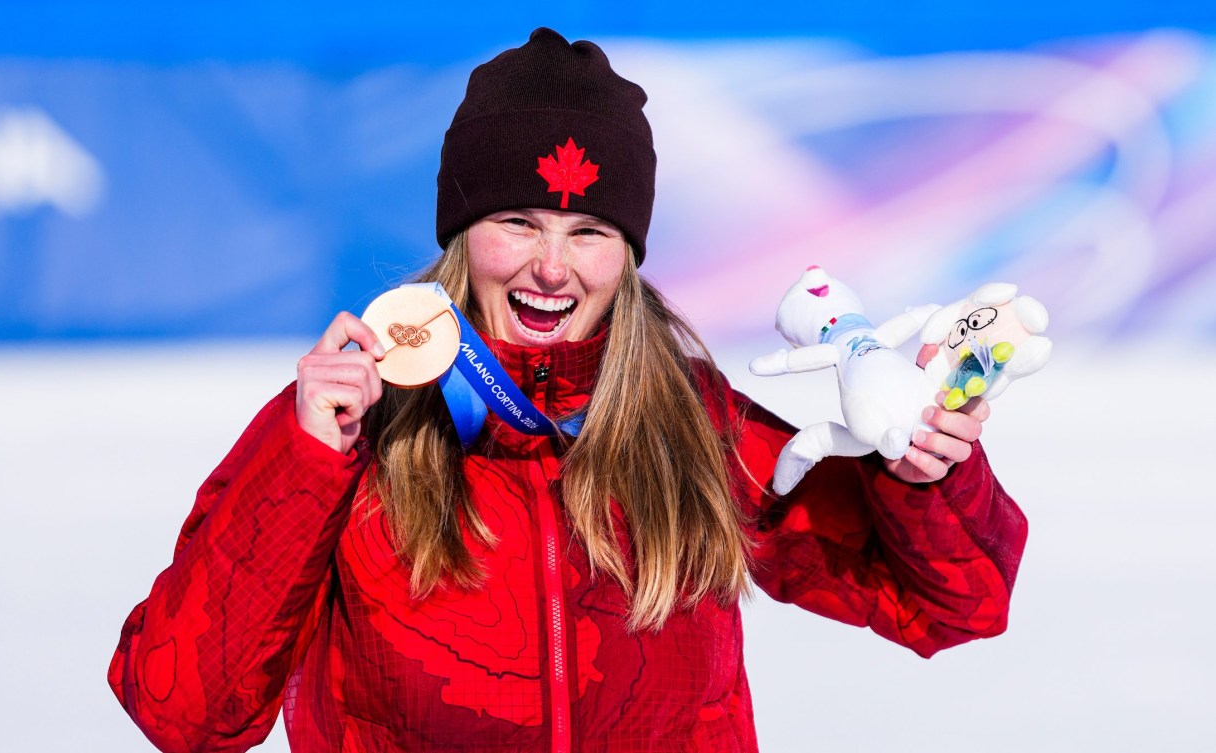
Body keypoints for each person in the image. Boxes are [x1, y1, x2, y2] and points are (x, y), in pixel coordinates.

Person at [109, 28, 1028, 753]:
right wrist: (303, 459)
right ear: (464, 234)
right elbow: (184, 715)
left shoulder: (688, 424)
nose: (552, 267)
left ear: (627, 256)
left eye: (589, 230)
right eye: (518, 221)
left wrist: (925, 477)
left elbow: (953, 604)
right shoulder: (357, 423)